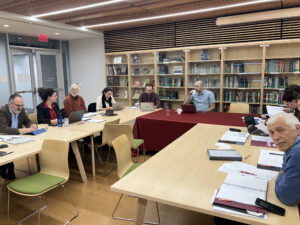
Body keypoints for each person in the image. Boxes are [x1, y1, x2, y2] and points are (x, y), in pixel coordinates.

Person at [0, 94, 37, 180]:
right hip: (3, 136)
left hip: (15, 137)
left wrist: (32, 125)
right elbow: (3, 128)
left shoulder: (21, 110)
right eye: (18, 105)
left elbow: (27, 121)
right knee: (8, 152)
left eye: (22, 105)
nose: (20, 108)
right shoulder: (2, 111)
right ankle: (7, 168)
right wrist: (20, 130)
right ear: (10, 104)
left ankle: (8, 168)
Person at [267, 112, 300, 206]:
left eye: (280, 130)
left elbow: (286, 197)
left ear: (297, 129)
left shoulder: (297, 152)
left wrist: (280, 178)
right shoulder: (292, 145)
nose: (275, 137)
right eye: (272, 133)